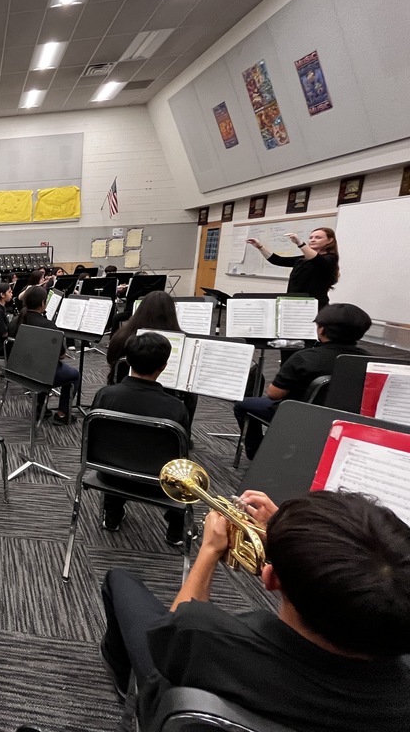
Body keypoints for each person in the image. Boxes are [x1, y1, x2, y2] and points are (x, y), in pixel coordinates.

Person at [101, 490, 410, 731]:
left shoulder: (201, 634)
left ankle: (124, 681)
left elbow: (172, 631)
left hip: (173, 680)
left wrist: (209, 551)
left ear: (270, 578)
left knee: (119, 581)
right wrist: (291, 536)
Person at [234, 303, 370, 458]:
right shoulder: (371, 361)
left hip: (301, 415)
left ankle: (259, 453)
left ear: (321, 330)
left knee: (243, 405)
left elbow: (274, 394)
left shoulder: (305, 358)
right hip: (351, 417)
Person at [91, 333, 190, 545]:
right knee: (187, 471)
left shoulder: (105, 395)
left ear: (127, 360)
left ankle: (112, 514)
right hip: (157, 485)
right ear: (164, 366)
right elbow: (180, 458)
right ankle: (176, 531)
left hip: (108, 475)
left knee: (120, 445)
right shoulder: (176, 408)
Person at [106, 290, 197, 424]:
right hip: (165, 401)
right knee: (192, 394)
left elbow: (110, 361)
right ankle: (183, 432)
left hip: (121, 395)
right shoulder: (184, 342)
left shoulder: (121, 336)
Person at [8, 285, 80, 426]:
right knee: (74, 375)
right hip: (40, 374)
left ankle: (41, 407)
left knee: (41, 362)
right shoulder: (48, 326)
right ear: (42, 303)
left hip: (17, 370)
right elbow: (61, 355)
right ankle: (62, 414)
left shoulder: (15, 321)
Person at [246, 227, 339, 309]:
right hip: (294, 303)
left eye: (318, 237)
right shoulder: (303, 259)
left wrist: (300, 243)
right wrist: (260, 247)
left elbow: (317, 260)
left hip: (314, 305)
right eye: (311, 238)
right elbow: (278, 260)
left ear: (330, 240)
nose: (313, 240)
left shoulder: (330, 258)